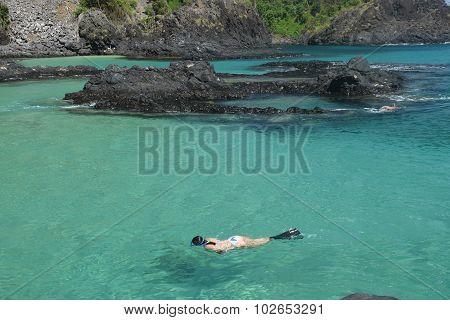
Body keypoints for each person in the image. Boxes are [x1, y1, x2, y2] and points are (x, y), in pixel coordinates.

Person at [191, 228, 303, 254]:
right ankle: (288, 235)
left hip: (236, 244)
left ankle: (288, 235)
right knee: (256, 241)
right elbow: (217, 242)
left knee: (268, 240)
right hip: (234, 238)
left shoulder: (206, 247)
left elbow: (220, 249)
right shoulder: (208, 238)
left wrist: (222, 253)